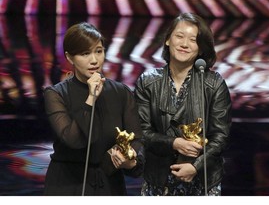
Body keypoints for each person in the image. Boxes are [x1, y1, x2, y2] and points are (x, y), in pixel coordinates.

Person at [134, 12, 232, 196]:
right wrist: (174, 143)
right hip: (158, 179)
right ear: (168, 40)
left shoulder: (214, 83)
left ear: (201, 48)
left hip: (203, 181)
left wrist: (196, 166)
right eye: (179, 36)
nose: (184, 44)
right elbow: (141, 132)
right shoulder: (147, 82)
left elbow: (221, 137)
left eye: (193, 40)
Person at [43, 22, 144, 196]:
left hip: (109, 183)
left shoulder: (121, 92)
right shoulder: (56, 94)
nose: (94, 60)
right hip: (67, 185)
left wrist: (131, 158)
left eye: (99, 51)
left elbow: (137, 137)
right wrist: (90, 99)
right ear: (69, 57)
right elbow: (73, 139)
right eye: (85, 53)